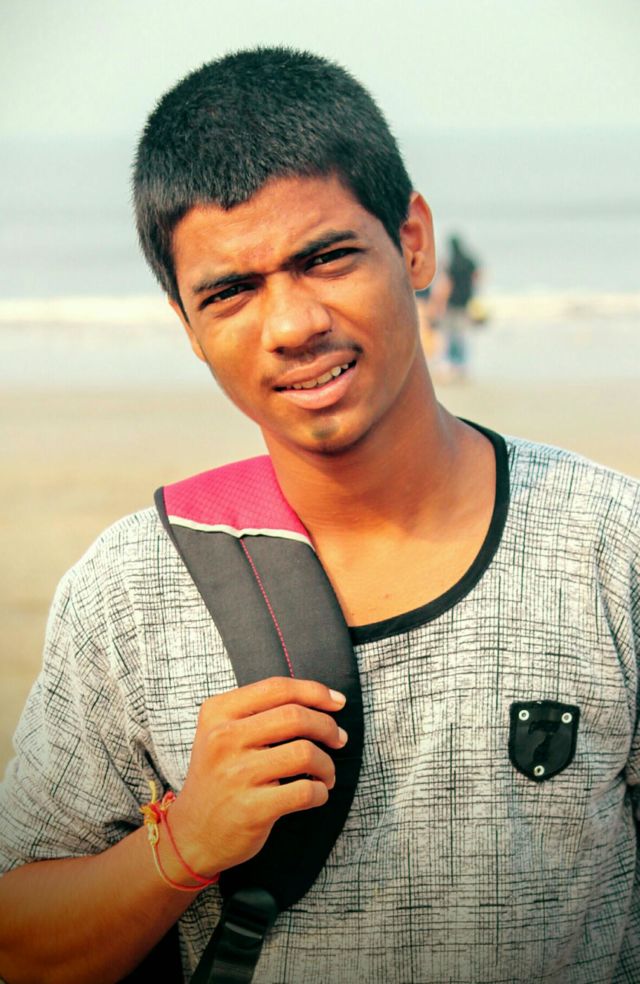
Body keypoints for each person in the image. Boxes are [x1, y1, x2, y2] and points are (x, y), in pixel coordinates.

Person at [0, 47, 639, 984]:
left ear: (412, 243)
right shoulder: (129, 592)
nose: (293, 325)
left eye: (326, 258)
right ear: (188, 325)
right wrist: (183, 845)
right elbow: (19, 941)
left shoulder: (609, 545)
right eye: (230, 291)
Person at [439, 234, 479, 379]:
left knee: (450, 335)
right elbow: (477, 275)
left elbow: (447, 285)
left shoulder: (452, 263)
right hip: (465, 302)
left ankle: (452, 364)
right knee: (461, 335)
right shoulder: (469, 261)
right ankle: (463, 365)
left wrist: (441, 303)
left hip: (452, 303)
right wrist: (471, 290)